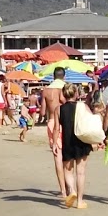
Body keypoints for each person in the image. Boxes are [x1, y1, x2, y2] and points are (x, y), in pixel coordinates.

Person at [57, 84, 92, 209]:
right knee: (81, 172)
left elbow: (57, 128)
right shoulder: (83, 106)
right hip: (81, 140)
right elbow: (91, 122)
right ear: (76, 94)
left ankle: (71, 190)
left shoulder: (59, 109)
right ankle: (80, 201)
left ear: (64, 94)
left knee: (68, 170)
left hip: (67, 141)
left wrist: (56, 143)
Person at [40, 68, 68, 199]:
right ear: (64, 76)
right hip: (66, 122)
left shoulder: (46, 90)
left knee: (57, 156)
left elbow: (42, 111)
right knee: (69, 156)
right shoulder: (66, 88)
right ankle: (70, 187)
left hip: (52, 122)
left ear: (53, 76)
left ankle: (63, 190)